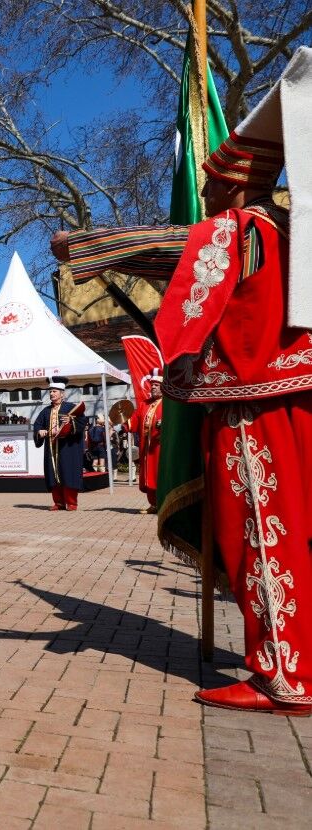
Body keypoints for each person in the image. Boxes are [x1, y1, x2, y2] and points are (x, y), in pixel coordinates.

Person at [51, 48, 312, 714]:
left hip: (253, 411)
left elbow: (176, 249)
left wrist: (87, 247)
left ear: (232, 185)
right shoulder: (290, 233)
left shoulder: (238, 228)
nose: (206, 195)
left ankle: (285, 673)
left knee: (260, 534)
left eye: (212, 184)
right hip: (294, 401)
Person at [32, 377, 87, 511]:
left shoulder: (71, 408)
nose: (51, 394)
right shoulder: (45, 411)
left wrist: (70, 422)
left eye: (54, 391)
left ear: (62, 393)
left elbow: (82, 422)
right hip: (51, 448)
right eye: (50, 391)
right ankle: (59, 502)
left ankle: (71, 502)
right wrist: (40, 431)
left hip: (68, 448)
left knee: (68, 472)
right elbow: (37, 425)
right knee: (53, 474)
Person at [126, 370, 164, 514]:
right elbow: (133, 422)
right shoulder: (144, 404)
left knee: (159, 475)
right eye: (152, 385)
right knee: (148, 475)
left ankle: (163, 504)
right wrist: (121, 418)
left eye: (156, 385)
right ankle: (153, 504)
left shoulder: (169, 404)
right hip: (146, 448)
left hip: (160, 448)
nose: (153, 387)